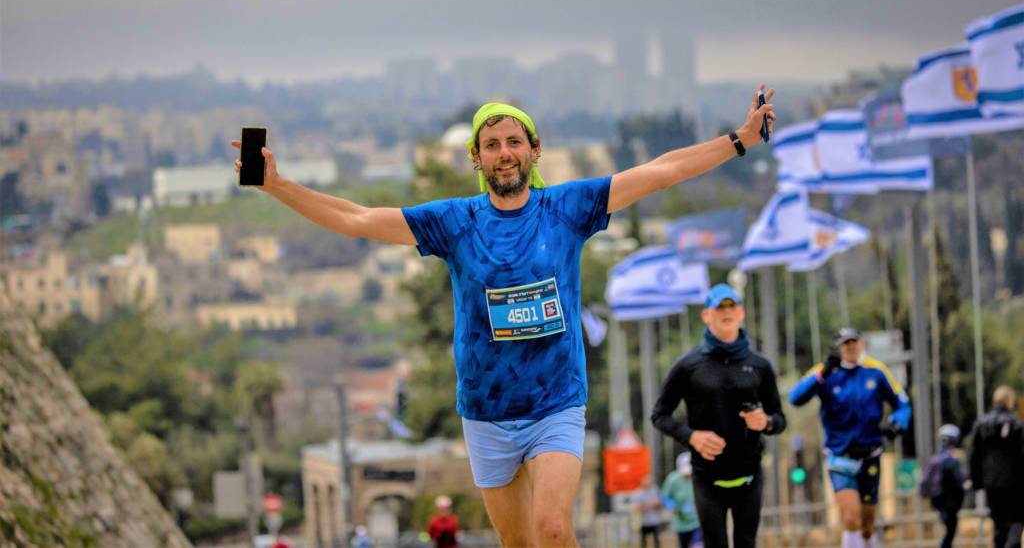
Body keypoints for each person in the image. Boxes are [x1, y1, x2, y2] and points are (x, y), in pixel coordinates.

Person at [233, 89, 777, 547]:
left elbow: (661, 172)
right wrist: (277, 185)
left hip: (555, 401)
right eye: (492, 145)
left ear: (534, 150)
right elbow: (357, 219)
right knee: (519, 544)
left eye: (515, 142)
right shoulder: (454, 222)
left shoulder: (569, 207)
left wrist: (739, 140)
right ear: (476, 158)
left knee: (554, 530)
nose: (504, 152)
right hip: (486, 411)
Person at [651, 283, 787, 548]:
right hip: (707, 477)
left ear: (741, 312)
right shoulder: (688, 366)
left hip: (749, 474)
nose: (727, 312)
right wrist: (692, 437)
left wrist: (765, 422)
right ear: (706, 315)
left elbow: (779, 418)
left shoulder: (760, 365)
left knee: (746, 542)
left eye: (731, 305)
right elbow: (659, 415)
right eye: (720, 306)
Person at [788, 327, 912, 548]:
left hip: (870, 454)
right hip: (840, 456)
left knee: (867, 524)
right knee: (851, 518)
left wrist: (897, 423)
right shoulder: (825, 372)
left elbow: (901, 403)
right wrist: (822, 374)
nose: (851, 347)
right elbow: (795, 399)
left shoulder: (876, 371)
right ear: (838, 348)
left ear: (861, 344)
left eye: (854, 342)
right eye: (846, 343)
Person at [968, 385, 1024, 548]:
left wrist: (977, 482)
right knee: (1016, 519)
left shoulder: (981, 425)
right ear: (1009, 401)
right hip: (1015, 484)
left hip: (991, 484)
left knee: (998, 524)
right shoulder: (1016, 424)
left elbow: (973, 455)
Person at [920, 424, 965, 548]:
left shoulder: (934, 460)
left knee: (945, 532)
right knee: (950, 532)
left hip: (936, 501)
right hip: (950, 503)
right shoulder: (953, 460)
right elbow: (959, 482)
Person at [661, 452, 703, 548]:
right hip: (681, 522)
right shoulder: (672, 480)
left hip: (697, 521)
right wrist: (673, 507)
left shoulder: (698, 478)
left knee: (697, 544)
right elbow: (664, 497)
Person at [635, 474, 664, 548]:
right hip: (644, 521)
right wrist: (649, 505)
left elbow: (660, 502)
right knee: (643, 540)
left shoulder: (655, 490)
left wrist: (655, 504)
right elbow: (636, 507)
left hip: (655, 520)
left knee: (656, 540)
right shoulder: (638, 493)